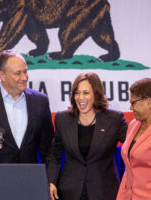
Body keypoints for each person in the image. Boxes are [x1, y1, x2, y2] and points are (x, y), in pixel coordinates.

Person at [47, 72, 128, 200]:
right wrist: (51, 181)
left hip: (104, 191)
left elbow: (133, 150)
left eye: (85, 93)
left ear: (96, 94)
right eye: (77, 93)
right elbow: (54, 154)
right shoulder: (62, 119)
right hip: (70, 192)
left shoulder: (114, 119)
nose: (80, 98)